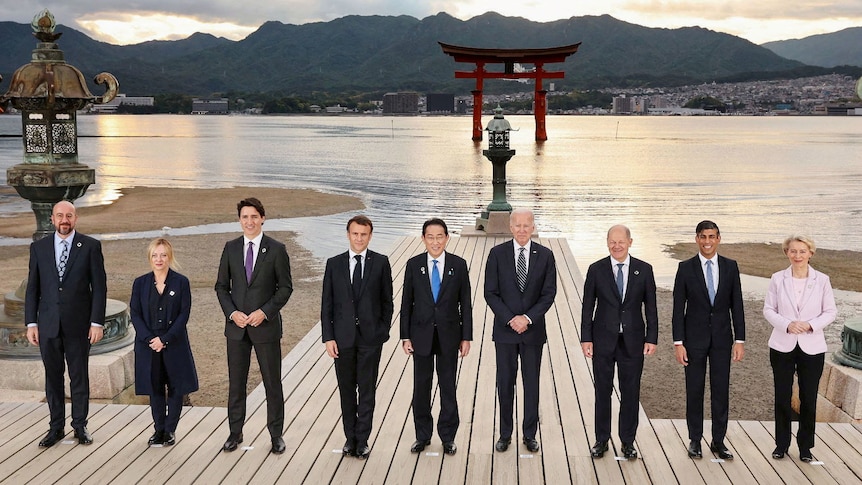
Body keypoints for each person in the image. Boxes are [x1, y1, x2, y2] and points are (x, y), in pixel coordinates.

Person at [25, 200, 107, 447]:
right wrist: (31, 323)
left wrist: (96, 323)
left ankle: (80, 427)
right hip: (48, 325)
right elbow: (33, 288)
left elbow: (100, 288)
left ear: (76, 218)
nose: (64, 220)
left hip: (79, 325)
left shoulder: (91, 246)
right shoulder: (38, 248)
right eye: (60, 215)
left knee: (79, 376)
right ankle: (56, 427)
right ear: (52, 218)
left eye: (69, 215)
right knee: (53, 377)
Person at [215, 197, 293, 454]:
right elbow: (221, 287)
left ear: (262, 218)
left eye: (253, 216)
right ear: (240, 220)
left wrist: (265, 312)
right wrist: (232, 313)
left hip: (265, 327)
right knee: (236, 384)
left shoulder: (277, 249)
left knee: (273, 383)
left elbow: (285, 288)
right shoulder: (230, 248)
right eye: (244, 217)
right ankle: (234, 434)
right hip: (236, 329)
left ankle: (276, 435)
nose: (249, 221)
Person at [581, 225, 658, 460]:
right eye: (612, 242)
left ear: (630, 242)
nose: (616, 246)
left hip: (633, 341)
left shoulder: (644, 270)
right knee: (602, 392)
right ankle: (601, 440)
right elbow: (587, 307)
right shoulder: (596, 269)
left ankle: (627, 442)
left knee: (630, 392)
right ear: (607, 243)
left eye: (621, 242)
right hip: (603, 339)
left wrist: (652, 338)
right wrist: (586, 338)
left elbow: (651, 308)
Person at [484, 208, 557, 453]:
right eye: (518, 225)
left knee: (531, 383)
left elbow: (549, 294)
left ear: (533, 227)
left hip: (533, 331)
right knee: (505, 383)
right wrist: (510, 319)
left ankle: (529, 434)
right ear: (510, 227)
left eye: (527, 225)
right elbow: (490, 292)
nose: (523, 230)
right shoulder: (496, 254)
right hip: (505, 332)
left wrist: (527, 318)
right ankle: (505, 434)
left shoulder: (546, 256)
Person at [321, 215, 393, 459]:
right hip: (342, 339)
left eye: (364, 234)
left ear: (370, 236)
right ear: (348, 234)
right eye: (355, 234)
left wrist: (382, 331)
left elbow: (387, 301)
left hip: (371, 339)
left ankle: (363, 440)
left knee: (367, 391)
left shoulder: (381, 263)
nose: (359, 238)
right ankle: (349, 439)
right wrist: (328, 337)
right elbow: (326, 305)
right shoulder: (334, 264)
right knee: (346, 391)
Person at [672, 220, 745, 460]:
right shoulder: (685, 268)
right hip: (693, 340)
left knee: (720, 390)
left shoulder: (731, 267)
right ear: (697, 238)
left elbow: (738, 306)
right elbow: (677, 309)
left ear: (718, 238)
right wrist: (678, 343)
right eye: (703, 236)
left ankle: (718, 441)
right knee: (694, 390)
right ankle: (695, 440)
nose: (707, 241)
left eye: (712, 236)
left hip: (723, 340)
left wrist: (740, 340)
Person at [400, 218, 472, 455]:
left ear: (447, 238)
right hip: (420, 336)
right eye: (430, 237)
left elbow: (466, 305)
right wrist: (405, 336)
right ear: (423, 239)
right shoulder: (413, 265)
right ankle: (422, 435)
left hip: (450, 336)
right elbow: (406, 303)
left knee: (448, 387)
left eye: (439, 236)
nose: (435, 241)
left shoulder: (458, 265)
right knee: (421, 387)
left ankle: (448, 436)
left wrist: (466, 337)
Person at [763, 235, 836, 462]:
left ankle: (805, 447)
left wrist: (811, 325)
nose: (797, 256)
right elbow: (768, 310)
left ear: (810, 253)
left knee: (809, 398)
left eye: (802, 251)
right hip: (782, 344)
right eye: (793, 251)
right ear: (787, 253)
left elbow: (831, 312)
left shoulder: (822, 280)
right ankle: (781, 445)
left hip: (812, 347)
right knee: (782, 397)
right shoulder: (777, 278)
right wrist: (787, 324)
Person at [129, 238, 199, 446]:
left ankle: (170, 430)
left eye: (163, 255)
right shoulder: (140, 283)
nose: (159, 259)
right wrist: (150, 339)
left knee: (176, 387)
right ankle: (158, 429)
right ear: (149, 258)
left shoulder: (181, 282)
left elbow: (183, 315)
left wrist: (165, 340)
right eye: (155, 255)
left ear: (170, 257)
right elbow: (135, 313)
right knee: (155, 387)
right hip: (148, 344)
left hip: (174, 343)